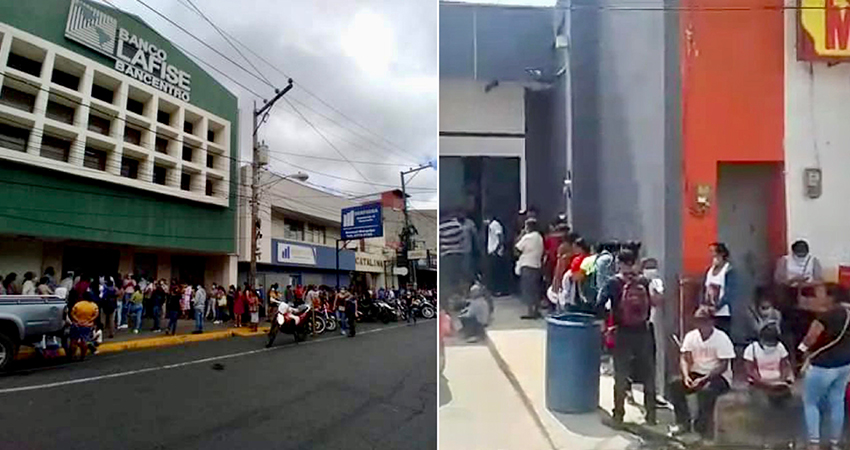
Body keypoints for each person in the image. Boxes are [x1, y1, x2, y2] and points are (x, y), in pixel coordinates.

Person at [598, 249, 658, 426]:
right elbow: (654, 302)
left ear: (619, 263)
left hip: (622, 332)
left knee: (621, 374)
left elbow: (599, 304)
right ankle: (651, 416)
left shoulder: (613, 283)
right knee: (649, 374)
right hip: (644, 332)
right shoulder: (644, 281)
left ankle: (618, 415)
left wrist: (605, 325)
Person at [668, 306, 734, 439]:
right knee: (674, 385)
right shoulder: (691, 336)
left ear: (711, 322)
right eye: (698, 321)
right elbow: (684, 358)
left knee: (706, 392)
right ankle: (683, 423)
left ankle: (702, 427)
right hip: (696, 372)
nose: (701, 324)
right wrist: (686, 376)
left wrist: (705, 379)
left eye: (704, 321)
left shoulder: (722, 338)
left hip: (718, 376)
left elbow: (723, 365)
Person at [798, 284, 850, 450]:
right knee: (837, 401)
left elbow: (810, 338)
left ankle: (814, 443)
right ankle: (835, 443)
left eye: (819, 294)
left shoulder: (826, 316)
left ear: (830, 297)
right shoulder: (848, 312)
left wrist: (800, 352)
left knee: (811, 402)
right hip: (844, 365)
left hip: (822, 366)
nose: (816, 297)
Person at [744, 321, 793, 408]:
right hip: (759, 383)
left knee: (785, 400)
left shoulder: (780, 347)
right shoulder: (751, 349)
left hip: (778, 382)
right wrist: (764, 383)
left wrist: (782, 379)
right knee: (761, 402)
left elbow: (785, 365)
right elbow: (749, 370)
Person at [703, 242, 736, 337]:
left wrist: (717, 306)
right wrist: (705, 305)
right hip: (709, 313)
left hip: (723, 313)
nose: (711, 255)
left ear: (721, 254)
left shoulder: (728, 271)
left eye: (713, 252)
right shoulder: (710, 270)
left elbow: (729, 293)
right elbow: (705, 289)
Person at [515, 217, 544, 320]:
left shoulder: (527, 237)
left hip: (527, 265)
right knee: (535, 289)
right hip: (537, 265)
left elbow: (517, 249)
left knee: (527, 289)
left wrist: (521, 235)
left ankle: (530, 312)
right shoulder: (540, 237)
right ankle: (536, 310)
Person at [68, 291, 99, 361]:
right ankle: (82, 356)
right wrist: (89, 320)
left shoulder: (78, 304)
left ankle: (72, 356)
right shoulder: (93, 305)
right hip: (87, 325)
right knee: (84, 341)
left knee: (73, 340)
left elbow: (72, 313)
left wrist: (77, 320)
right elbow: (96, 315)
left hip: (76, 324)